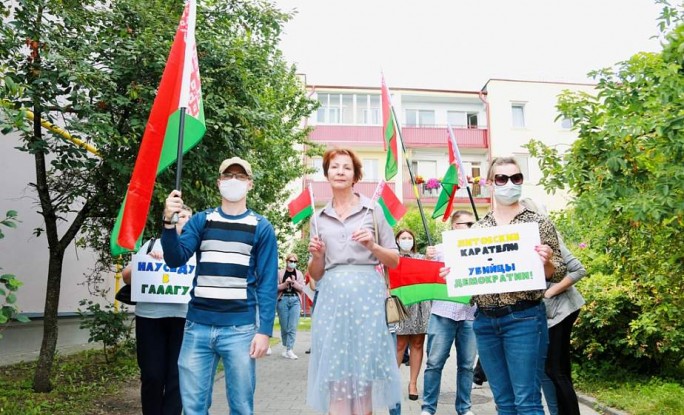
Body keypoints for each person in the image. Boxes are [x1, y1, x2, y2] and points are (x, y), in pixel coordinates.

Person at [161, 157, 278, 415]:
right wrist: (169, 224)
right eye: (228, 176)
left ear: (250, 184)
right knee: (193, 408)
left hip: (240, 329)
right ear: (218, 183)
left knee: (241, 408)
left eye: (240, 176)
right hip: (197, 327)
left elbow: (268, 284)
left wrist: (264, 331)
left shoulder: (262, 227)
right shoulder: (201, 221)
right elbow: (175, 258)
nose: (233, 181)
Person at [464, 156, 567, 414]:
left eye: (516, 178)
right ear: (490, 184)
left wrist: (546, 262)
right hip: (485, 321)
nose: (509, 183)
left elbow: (559, 271)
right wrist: (455, 274)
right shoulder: (478, 229)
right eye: (502, 178)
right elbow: (470, 281)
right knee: (504, 403)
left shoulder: (538, 222)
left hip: (524, 318)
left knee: (527, 401)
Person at [306, 148, 402, 415]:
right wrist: (318, 255)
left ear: (355, 175)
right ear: (327, 173)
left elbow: (394, 259)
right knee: (337, 376)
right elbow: (316, 273)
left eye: (346, 167)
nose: (340, 171)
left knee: (362, 379)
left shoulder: (373, 210)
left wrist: (372, 245)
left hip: (367, 298)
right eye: (334, 166)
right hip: (332, 299)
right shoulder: (318, 217)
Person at [121, 205, 192, 415]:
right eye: (181, 216)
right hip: (150, 319)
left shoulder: (196, 249)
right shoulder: (153, 244)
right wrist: (146, 262)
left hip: (184, 319)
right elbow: (126, 276)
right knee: (152, 374)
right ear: (169, 218)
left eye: (190, 217)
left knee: (177, 377)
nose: (185, 220)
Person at [520, 198, 587, 415]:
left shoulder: (548, 238)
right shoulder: (524, 242)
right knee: (555, 370)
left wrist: (549, 292)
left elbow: (578, 270)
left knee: (556, 370)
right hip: (550, 312)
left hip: (563, 310)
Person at [420, 210, 478, 415]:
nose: (472, 227)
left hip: (470, 314)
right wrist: (428, 259)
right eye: (466, 224)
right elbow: (425, 277)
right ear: (454, 226)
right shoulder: (439, 250)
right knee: (434, 363)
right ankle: (428, 408)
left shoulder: (481, 248)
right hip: (442, 313)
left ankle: (464, 408)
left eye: (473, 224)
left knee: (467, 366)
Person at [394, 228, 431, 401]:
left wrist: (430, 259)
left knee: (417, 343)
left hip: (420, 305)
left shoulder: (422, 258)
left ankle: (413, 383)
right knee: (399, 344)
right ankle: (392, 383)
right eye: (403, 238)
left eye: (410, 237)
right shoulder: (393, 258)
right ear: (397, 241)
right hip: (400, 304)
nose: (407, 240)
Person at [277, 253, 306, 359]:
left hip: (295, 301)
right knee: (284, 327)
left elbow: (302, 289)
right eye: (291, 261)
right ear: (287, 261)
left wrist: (293, 283)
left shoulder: (299, 274)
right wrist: (284, 284)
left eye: (295, 262)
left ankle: (290, 349)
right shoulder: (280, 273)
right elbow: (275, 287)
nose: (293, 263)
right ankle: (286, 347)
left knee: (292, 326)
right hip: (283, 299)